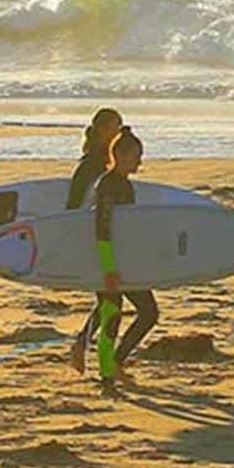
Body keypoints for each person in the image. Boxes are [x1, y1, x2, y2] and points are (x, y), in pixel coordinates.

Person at [93, 126, 159, 390]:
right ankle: (107, 375)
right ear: (119, 155)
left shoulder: (125, 186)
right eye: (136, 156)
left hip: (125, 260)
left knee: (149, 312)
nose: (140, 161)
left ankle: (116, 362)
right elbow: (102, 229)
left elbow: (129, 228)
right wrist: (108, 268)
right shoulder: (107, 186)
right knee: (112, 314)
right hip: (105, 260)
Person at [66, 107, 122, 375]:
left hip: (103, 238)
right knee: (111, 302)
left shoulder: (105, 164)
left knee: (109, 302)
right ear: (101, 130)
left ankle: (86, 348)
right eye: (115, 126)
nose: (119, 131)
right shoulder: (91, 165)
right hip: (94, 239)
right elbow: (74, 205)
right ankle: (107, 366)